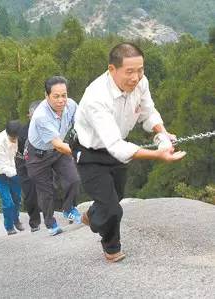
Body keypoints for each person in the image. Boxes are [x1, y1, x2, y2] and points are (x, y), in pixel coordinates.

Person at [73, 43, 186, 262]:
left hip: (117, 147)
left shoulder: (141, 83)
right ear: (112, 69)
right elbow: (115, 145)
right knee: (113, 210)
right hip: (90, 153)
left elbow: (148, 111)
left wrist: (162, 133)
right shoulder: (96, 96)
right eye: (130, 72)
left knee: (116, 197)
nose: (136, 77)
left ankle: (93, 215)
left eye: (140, 70)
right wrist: (158, 155)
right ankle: (112, 248)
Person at [26, 76, 82, 236]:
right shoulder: (41, 116)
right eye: (56, 96)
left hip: (58, 151)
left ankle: (68, 208)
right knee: (46, 191)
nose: (61, 100)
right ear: (47, 96)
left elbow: (81, 124)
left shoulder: (71, 105)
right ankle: (51, 224)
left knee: (74, 179)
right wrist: (79, 152)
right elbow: (57, 143)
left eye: (64, 95)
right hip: (38, 155)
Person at [0, 120, 24, 235]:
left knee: (17, 198)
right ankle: (9, 227)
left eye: (16, 138)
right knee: (8, 201)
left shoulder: (20, 136)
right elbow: (3, 165)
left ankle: (16, 219)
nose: (15, 140)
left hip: (14, 169)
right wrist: (19, 174)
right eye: (12, 138)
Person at [16, 101, 42, 232]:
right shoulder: (22, 132)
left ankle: (68, 208)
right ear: (29, 116)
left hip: (45, 161)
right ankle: (35, 222)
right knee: (30, 193)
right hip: (25, 163)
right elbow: (19, 150)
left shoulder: (49, 126)